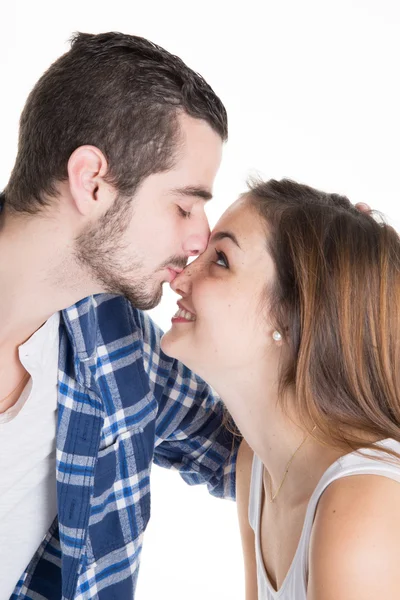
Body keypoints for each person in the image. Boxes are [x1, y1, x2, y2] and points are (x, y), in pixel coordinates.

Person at [0, 32, 239, 600]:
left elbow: (266, 453)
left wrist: (339, 289)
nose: (198, 239)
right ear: (93, 181)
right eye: (184, 205)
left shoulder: (116, 344)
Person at [161, 178, 400, 600]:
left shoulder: (364, 504)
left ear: (291, 318)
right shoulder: (257, 467)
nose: (181, 276)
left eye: (221, 260)